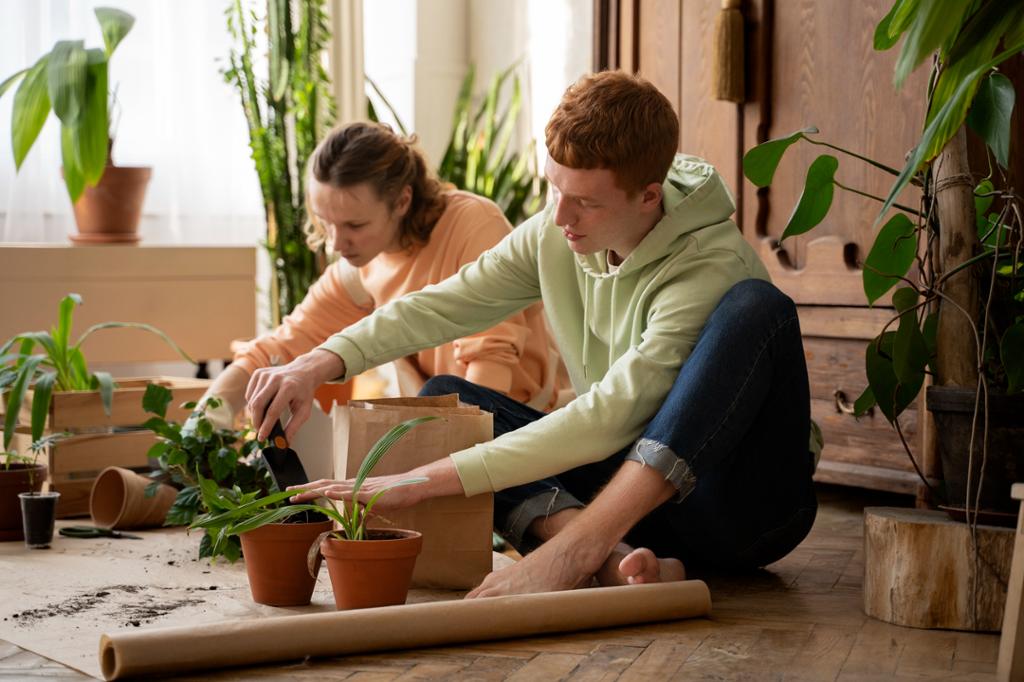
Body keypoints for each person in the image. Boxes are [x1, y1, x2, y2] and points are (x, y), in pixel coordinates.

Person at [246, 71, 817, 597]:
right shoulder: (558, 228)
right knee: (448, 400)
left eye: (586, 203)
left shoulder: (708, 264)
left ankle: (576, 550)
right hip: (632, 511)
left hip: (734, 509)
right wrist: (319, 362)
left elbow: (611, 415)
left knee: (756, 307)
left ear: (649, 195)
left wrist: (425, 481)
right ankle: (618, 561)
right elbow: (451, 302)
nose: (560, 216)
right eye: (554, 188)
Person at [201, 121, 566, 428]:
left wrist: (454, 462)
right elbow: (279, 349)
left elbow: (491, 362)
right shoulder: (359, 269)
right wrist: (204, 421)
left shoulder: (472, 224)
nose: (335, 243)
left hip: (516, 420)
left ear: (402, 201)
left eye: (354, 225)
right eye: (325, 223)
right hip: (444, 427)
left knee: (437, 392)